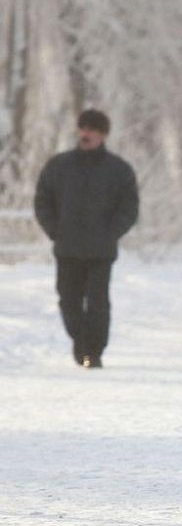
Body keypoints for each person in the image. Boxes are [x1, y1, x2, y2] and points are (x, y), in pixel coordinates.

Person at [34, 109, 139, 369]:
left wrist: (111, 232)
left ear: (103, 135)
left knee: (97, 302)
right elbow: (42, 200)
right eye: (83, 128)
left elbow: (129, 207)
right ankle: (82, 343)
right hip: (67, 247)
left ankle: (93, 352)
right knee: (68, 301)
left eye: (92, 129)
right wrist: (55, 230)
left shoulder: (118, 169)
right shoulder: (59, 165)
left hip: (100, 251)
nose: (86, 134)